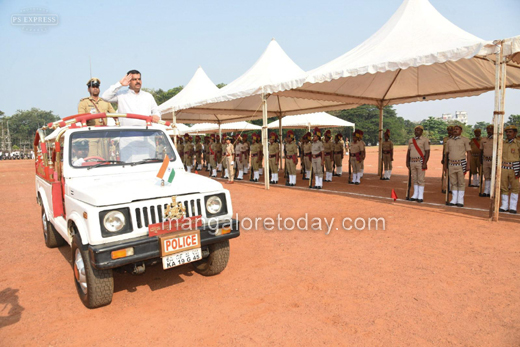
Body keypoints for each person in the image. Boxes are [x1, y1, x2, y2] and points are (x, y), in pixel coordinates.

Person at [444, 124, 471, 207]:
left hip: (461, 163)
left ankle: (460, 200)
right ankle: (454, 199)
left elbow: (469, 152)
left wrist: (468, 164)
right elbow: (446, 154)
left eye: (457, 129)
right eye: (454, 129)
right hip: (451, 163)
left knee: (461, 182)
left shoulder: (465, 140)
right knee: (453, 182)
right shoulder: (449, 141)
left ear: (461, 131)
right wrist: (445, 166)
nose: (455, 130)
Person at [406, 125, 430, 202]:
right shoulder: (411, 140)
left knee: (421, 179)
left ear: (422, 132)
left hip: (420, 161)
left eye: (418, 130)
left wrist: (425, 162)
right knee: (414, 178)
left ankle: (420, 195)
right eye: (415, 130)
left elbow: (427, 152)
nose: (416, 131)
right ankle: (415, 194)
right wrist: (407, 161)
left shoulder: (425, 140)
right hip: (412, 161)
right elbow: (408, 151)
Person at [499, 125, 520, 213]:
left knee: (515, 187)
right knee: (503, 187)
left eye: (510, 132)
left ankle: (513, 206)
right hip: (503, 167)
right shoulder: (502, 143)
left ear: (515, 133)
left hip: (514, 168)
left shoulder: (518, 143)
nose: (508, 134)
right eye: (507, 132)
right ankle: (504, 205)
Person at [479, 125, 494, 197]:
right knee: (486, 176)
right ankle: (486, 191)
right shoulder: (483, 139)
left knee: (493, 176)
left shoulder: (497, 139)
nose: (489, 131)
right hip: (485, 160)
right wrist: (480, 160)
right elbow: (481, 150)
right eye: (488, 129)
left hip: (493, 160)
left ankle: (492, 191)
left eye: (491, 129)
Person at [441, 125, 454, 193]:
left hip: (453, 157)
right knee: (446, 173)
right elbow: (444, 149)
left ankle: (452, 188)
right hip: (446, 157)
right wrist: (443, 158)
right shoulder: (445, 139)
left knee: (452, 173)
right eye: (448, 130)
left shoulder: (455, 139)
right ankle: (447, 187)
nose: (449, 132)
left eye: (451, 130)